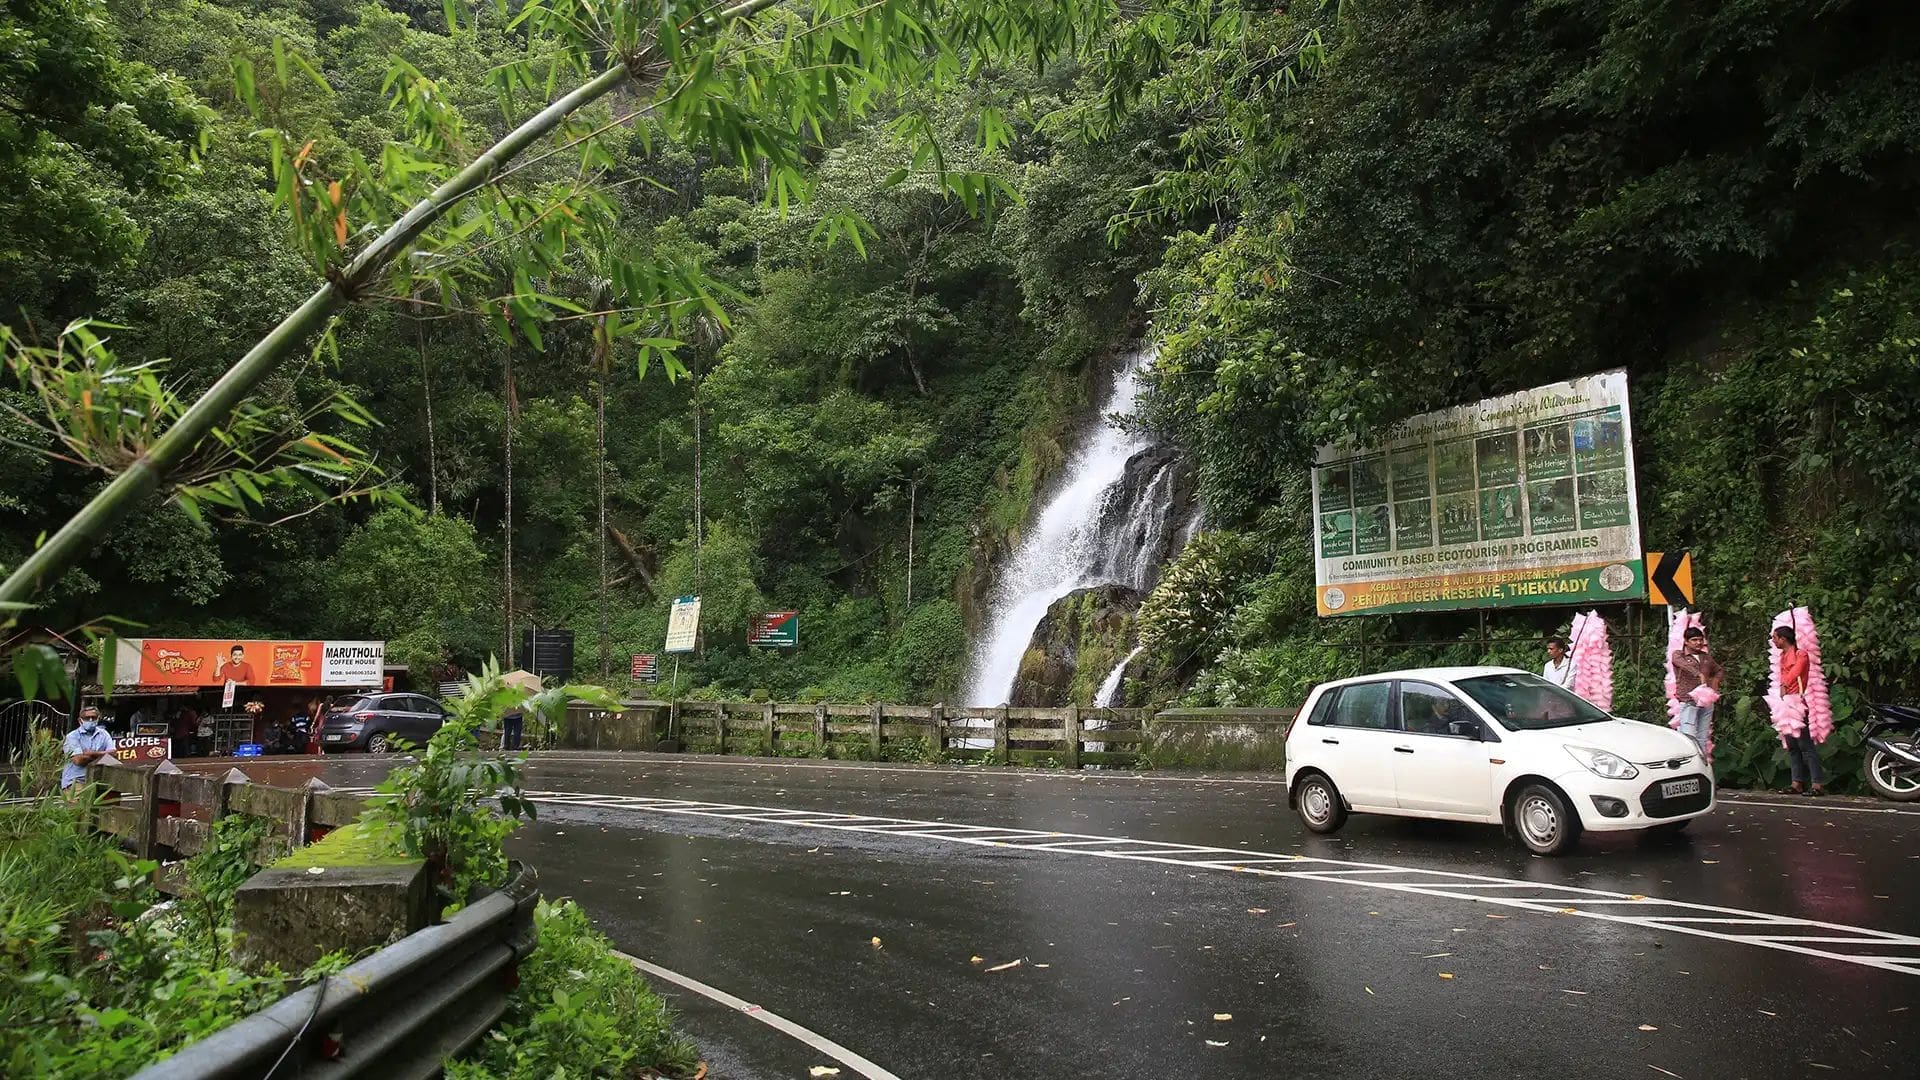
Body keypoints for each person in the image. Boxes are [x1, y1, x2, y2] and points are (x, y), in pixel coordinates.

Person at [1774, 625, 1825, 796]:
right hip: (1785, 703)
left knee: (1805, 745)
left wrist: (1784, 684)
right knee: (1792, 746)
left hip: (1798, 701)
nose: (1773, 641)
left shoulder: (1800, 654)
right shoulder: (1782, 656)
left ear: (1783, 639)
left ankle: (1817, 784)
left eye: (1775, 637)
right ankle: (1797, 783)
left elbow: (1796, 671)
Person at [1670, 626, 1723, 756]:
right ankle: (1690, 762)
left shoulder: (1706, 657)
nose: (1698, 643)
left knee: (1703, 736)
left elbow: (1719, 670)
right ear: (1686, 641)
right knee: (1688, 735)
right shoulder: (1679, 655)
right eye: (1694, 640)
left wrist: (1715, 682)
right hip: (1689, 700)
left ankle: (1702, 763)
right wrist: (1698, 674)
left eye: (1700, 640)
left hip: (1706, 701)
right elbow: (1681, 664)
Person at [62, 706, 116, 792]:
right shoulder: (72, 737)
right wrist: (104, 756)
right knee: (77, 806)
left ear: (98, 718)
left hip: (98, 781)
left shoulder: (104, 734)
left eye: (93, 717)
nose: (91, 720)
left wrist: (92, 754)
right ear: (80, 720)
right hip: (75, 782)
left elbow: (113, 755)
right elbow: (79, 760)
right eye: (87, 718)